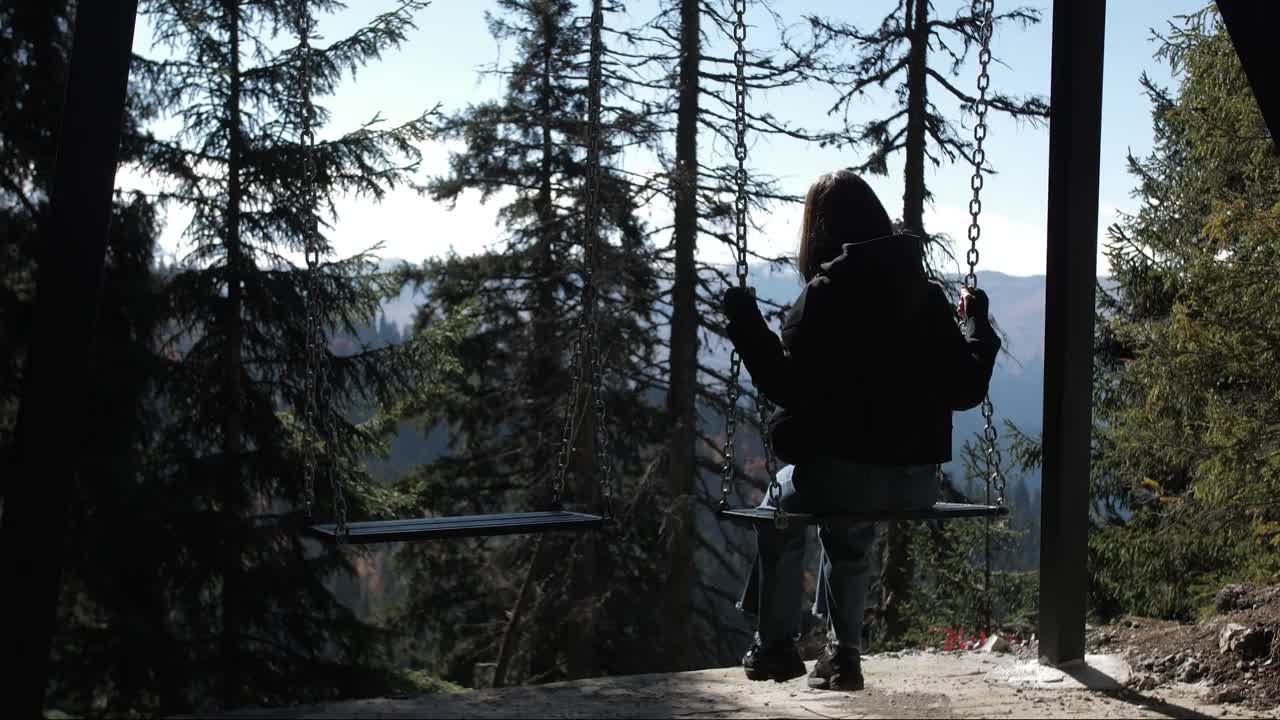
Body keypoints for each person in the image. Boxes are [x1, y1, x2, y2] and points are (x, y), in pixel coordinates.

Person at [722, 169, 1000, 691]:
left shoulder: (823, 297)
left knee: (780, 511)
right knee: (848, 524)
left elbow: (787, 384)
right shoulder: (927, 297)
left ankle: (776, 646)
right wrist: (975, 326)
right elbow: (965, 389)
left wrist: (746, 325)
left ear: (820, 233)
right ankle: (842, 654)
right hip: (917, 480)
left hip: (838, 477)